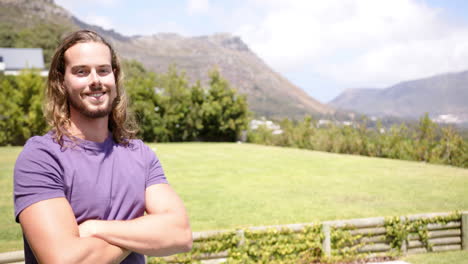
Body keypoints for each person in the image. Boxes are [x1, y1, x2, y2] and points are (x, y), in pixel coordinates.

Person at [13, 30, 192, 264]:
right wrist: (143, 233)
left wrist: (96, 228)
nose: (95, 80)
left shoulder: (140, 154)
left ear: (114, 77)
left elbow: (180, 234)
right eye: (81, 71)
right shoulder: (42, 157)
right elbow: (65, 261)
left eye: (103, 70)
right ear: (61, 81)